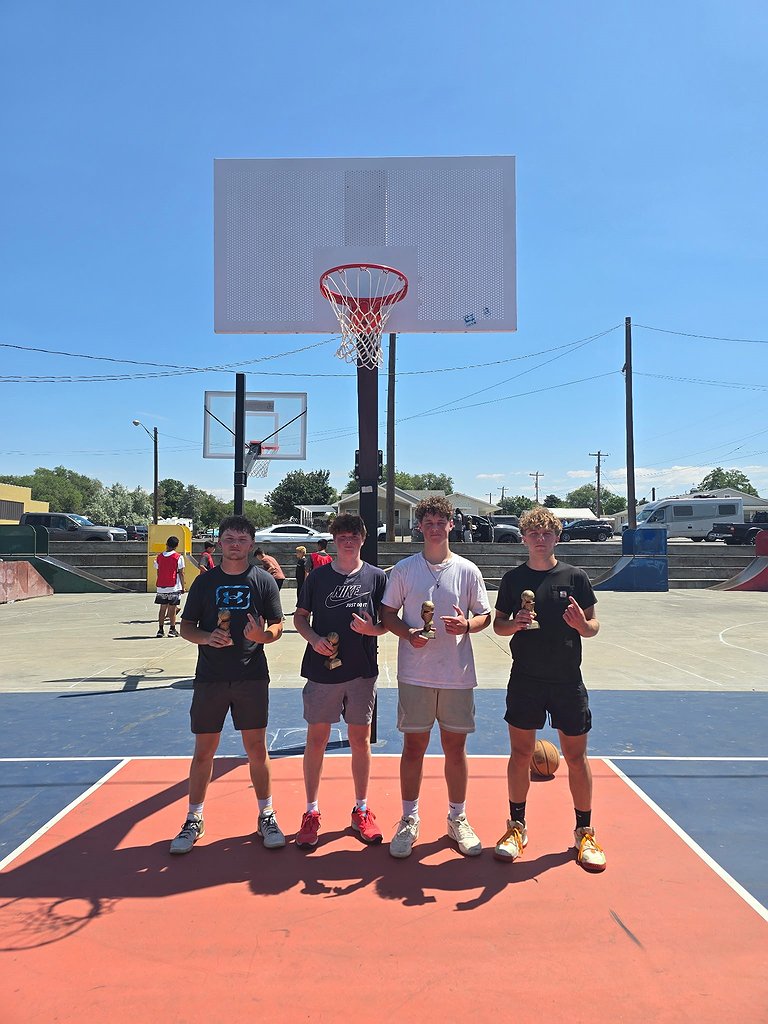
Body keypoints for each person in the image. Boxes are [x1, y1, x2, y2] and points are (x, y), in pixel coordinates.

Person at [492, 506, 606, 872]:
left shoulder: (575, 577)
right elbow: (498, 625)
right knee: (520, 753)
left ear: (557, 538)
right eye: (533, 534)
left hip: (567, 680)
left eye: (546, 534)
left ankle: (584, 832)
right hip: (525, 678)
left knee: (576, 757)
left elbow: (594, 625)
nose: (540, 539)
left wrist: (582, 626)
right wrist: (516, 623)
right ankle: (516, 827)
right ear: (524, 539)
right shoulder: (513, 580)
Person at [380, 496, 492, 858]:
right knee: (413, 747)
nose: (434, 528)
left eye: (440, 522)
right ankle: (409, 818)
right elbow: (388, 614)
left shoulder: (467, 570)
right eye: (427, 522)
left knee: (455, 749)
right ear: (419, 526)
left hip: (456, 673)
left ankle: (457, 817)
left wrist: (467, 625)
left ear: (450, 525)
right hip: (415, 673)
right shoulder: (404, 569)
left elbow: (485, 615)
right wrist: (407, 633)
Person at [171, 515, 285, 855]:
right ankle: (194, 818)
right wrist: (208, 637)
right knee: (204, 751)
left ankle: (266, 815)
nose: (235, 544)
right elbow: (186, 627)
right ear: (220, 542)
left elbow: (277, 625)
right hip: (211, 677)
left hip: (251, 676)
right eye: (229, 538)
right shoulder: (204, 583)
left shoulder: (264, 581)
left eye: (242, 539)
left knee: (256, 749)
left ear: (251, 544)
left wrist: (263, 636)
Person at [293, 514, 388, 848]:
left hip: (361, 671)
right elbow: (300, 618)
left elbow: (387, 623)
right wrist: (314, 639)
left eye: (354, 536)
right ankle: (311, 811)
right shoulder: (317, 577)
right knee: (317, 739)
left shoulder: (376, 577)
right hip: (323, 671)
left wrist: (372, 630)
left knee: (360, 740)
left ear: (363, 538)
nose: (348, 541)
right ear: (334, 540)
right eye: (342, 536)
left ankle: (361, 809)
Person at [154, 535, 185, 637]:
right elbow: (181, 573)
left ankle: (160, 630)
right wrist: (183, 586)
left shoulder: (159, 557)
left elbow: (158, 571)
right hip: (173, 586)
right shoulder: (178, 557)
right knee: (172, 609)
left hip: (161, 586)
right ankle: (172, 629)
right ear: (176, 546)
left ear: (166, 544)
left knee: (162, 608)